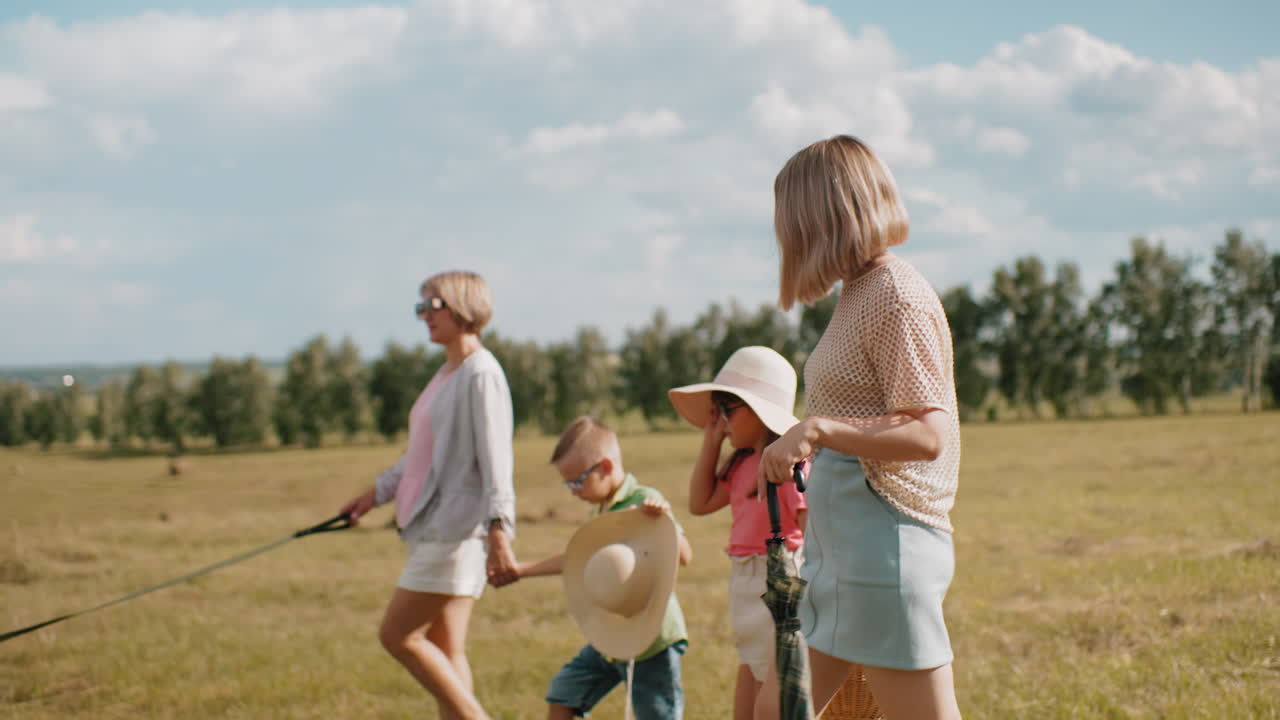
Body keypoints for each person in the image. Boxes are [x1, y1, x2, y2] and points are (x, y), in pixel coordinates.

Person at [754, 136, 964, 720]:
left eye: (789, 222)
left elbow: (927, 435)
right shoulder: (860, 292)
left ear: (819, 219)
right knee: (777, 711)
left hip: (884, 548)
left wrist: (817, 429)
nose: (784, 238)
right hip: (840, 551)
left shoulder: (897, 295)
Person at [339, 270, 517, 720]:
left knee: (397, 636)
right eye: (420, 307)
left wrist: (500, 530)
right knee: (446, 650)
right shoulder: (447, 373)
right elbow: (419, 459)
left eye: (431, 306)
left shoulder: (481, 374)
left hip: (453, 533)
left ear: (461, 306)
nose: (423, 317)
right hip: (432, 528)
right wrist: (372, 495)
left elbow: (497, 460)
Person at [492, 416, 693, 720]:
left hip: (652, 641)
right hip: (611, 636)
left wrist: (662, 523)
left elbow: (685, 556)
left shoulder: (644, 501)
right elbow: (576, 560)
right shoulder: (601, 513)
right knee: (563, 694)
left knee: (656, 715)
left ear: (606, 467)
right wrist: (521, 570)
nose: (572, 490)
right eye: (567, 483)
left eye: (577, 481)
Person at [667, 346, 807, 720]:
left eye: (728, 411)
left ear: (761, 413)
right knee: (748, 695)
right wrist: (711, 440)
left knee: (772, 705)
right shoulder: (742, 465)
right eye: (717, 413)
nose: (722, 421)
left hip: (777, 583)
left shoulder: (788, 468)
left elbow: (815, 533)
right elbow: (699, 502)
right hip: (744, 585)